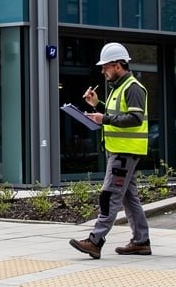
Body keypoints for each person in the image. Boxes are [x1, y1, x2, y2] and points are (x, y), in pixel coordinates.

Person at [69, 42, 152, 259]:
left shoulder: (133, 88)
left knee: (109, 195)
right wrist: (98, 105)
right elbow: (118, 114)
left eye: (105, 67)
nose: (103, 71)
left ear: (117, 65)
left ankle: (95, 241)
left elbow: (134, 118)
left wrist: (103, 118)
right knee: (129, 198)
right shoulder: (119, 88)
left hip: (124, 153)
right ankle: (141, 241)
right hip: (120, 150)